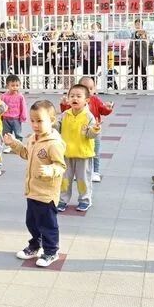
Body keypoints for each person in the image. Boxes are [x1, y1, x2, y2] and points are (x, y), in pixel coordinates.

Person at [5, 100, 67, 268]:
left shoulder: (54, 143)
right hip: (32, 190)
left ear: (52, 120)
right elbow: (26, 153)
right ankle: (35, 245)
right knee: (32, 222)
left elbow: (61, 166)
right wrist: (14, 144)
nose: (35, 125)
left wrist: (49, 170)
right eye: (32, 120)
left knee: (47, 224)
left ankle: (51, 251)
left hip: (46, 194)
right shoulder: (33, 138)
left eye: (39, 121)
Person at [56, 84, 100, 212]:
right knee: (64, 180)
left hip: (83, 155)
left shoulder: (88, 116)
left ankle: (85, 200)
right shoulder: (65, 114)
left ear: (86, 100)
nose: (75, 98)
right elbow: (57, 127)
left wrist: (95, 130)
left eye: (78, 96)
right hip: (66, 154)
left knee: (83, 180)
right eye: (72, 96)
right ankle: (62, 200)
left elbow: (90, 135)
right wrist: (52, 123)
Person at [60, 76, 113, 183]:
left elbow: (102, 110)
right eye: (85, 88)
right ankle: (78, 172)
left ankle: (95, 172)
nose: (88, 90)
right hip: (79, 132)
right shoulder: (75, 100)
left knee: (95, 152)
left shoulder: (95, 100)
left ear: (94, 89)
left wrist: (108, 109)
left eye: (91, 88)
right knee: (78, 152)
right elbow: (66, 111)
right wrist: (64, 104)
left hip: (94, 131)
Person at [0, 74, 27, 154]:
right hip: (6, 118)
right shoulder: (4, 96)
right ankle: (10, 147)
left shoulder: (20, 96)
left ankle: (19, 147)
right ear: (7, 86)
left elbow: (23, 107)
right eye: (12, 85)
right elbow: (1, 107)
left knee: (18, 133)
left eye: (17, 85)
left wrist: (23, 117)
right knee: (7, 134)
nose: (15, 87)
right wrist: (0, 116)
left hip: (16, 119)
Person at [55, 20, 79, 91]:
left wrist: (75, 57)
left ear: (71, 26)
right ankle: (65, 88)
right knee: (64, 72)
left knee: (71, 72)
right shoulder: (61, 34)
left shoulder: (74, 34)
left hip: (71, 55)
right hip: (63, 55)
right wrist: (61, 40)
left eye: (67, 25)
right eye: (64, 25)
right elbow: (58, 44)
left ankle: (72, 88)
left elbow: (76, 46)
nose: (65, 26)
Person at [130, 19, 149, 90]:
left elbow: (146, 43)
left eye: (139, 24)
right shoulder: (133, 33)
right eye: (136, 24)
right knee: (134, 72)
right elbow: (131, 44)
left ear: (142, 25)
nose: (137, 26)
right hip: (134, 55)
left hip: (142, 55)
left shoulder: (145, 32)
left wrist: (143, 38)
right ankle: (135, 87)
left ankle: (144, 88)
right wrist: (129, 55)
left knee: (143, 71)